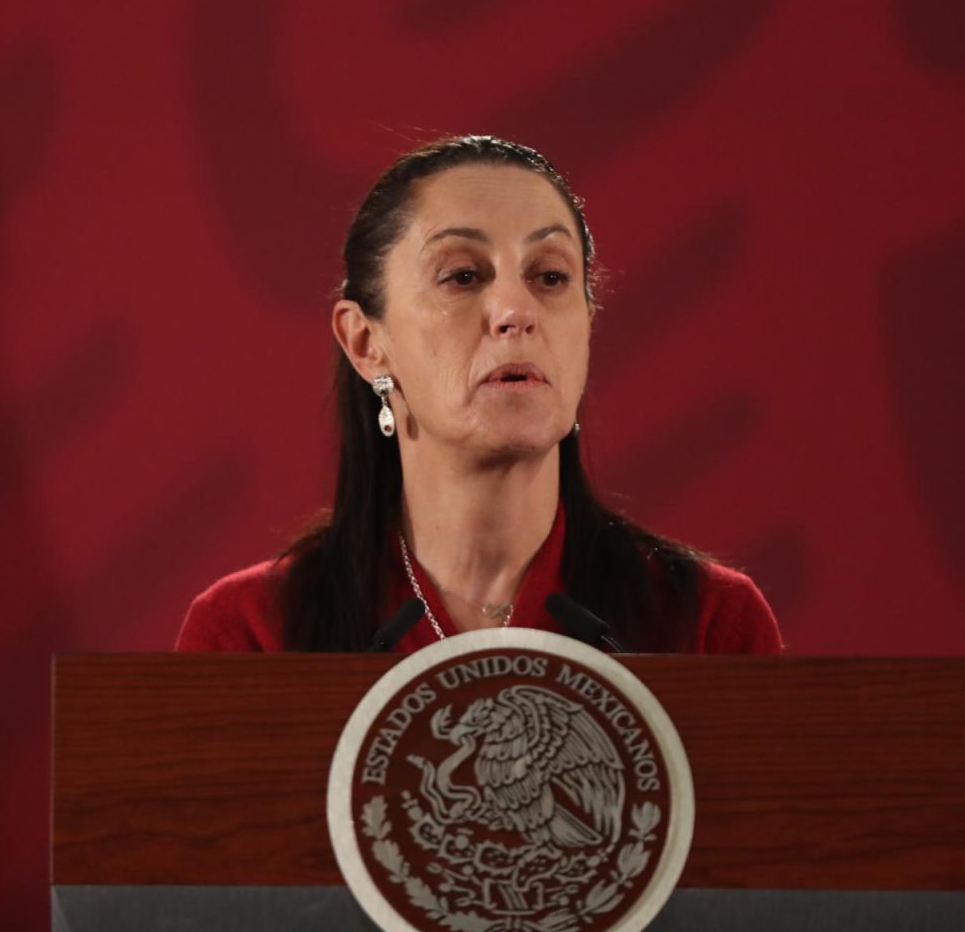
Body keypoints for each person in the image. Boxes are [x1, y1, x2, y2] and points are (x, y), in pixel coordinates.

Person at [177, 136, 781, 654]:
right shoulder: (253, 631)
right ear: (365, 343)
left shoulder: (706, 623)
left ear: (587, 327)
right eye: (463, 276)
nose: (516, 311)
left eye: (550, 277)